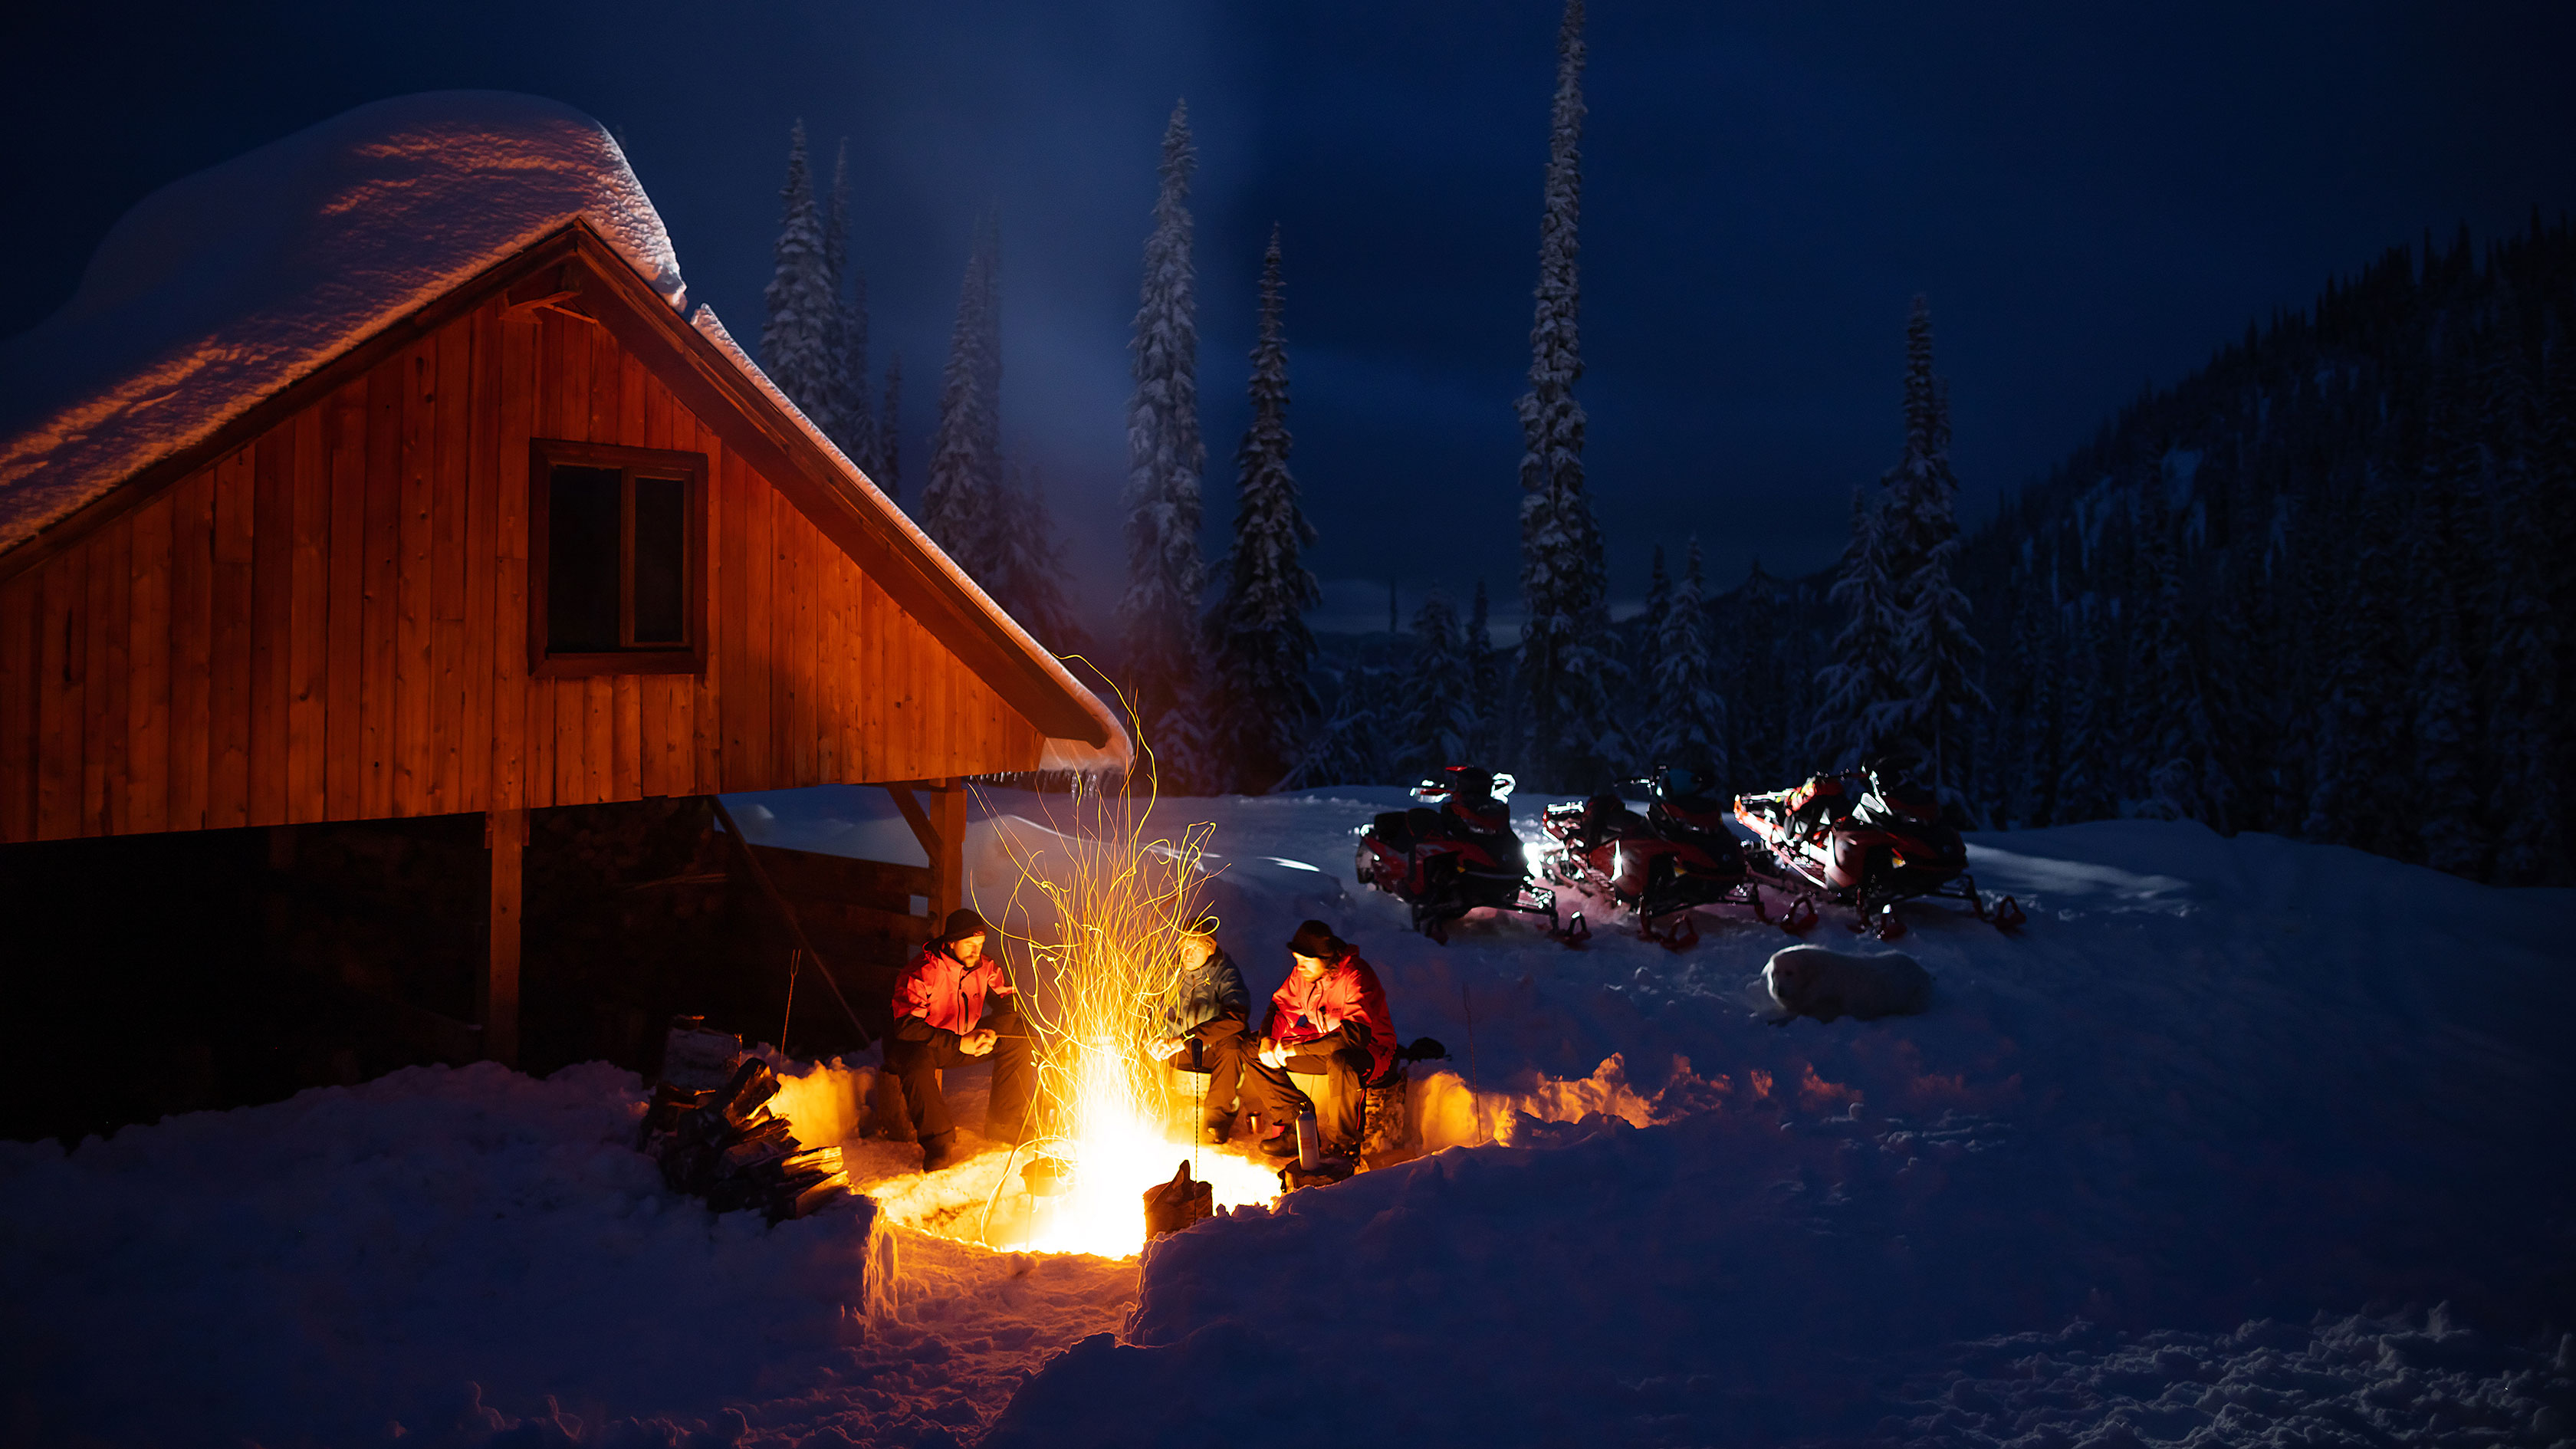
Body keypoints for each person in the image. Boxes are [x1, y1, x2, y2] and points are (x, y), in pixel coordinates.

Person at [882, 908, 1036, 1171]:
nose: (976, 952)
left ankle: (1004, 1122)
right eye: (970, 945)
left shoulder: (984, 967)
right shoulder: (922, 972)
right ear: (951, 943)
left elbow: (1009, 1004)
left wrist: (992, 1033)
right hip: (925, 1046)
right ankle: (939, 1143)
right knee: (914, 1062)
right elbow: (907, 1027)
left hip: (965, 1041)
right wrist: (958, 1043)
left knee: (1021, 1035)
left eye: (980, 945)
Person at [1241, 920, 1397, 1158]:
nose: (1299, 967)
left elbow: (1355, 1037)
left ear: (1325, 958)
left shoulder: (1355, 975)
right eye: (1296, 960)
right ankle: (1298, 1124)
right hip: (1325, 1042)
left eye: (1305, 961)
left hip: (1371, 1050)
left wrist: (1295, 1048)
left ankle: (1343, 1147)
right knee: (1252, 1048)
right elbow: (1282, 1006)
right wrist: (1268, 1040)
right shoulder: (1304, 976)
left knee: (1342, 1063)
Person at [1145, 917, 1251, 1145]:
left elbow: (1237, 1017)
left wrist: (1185, 1039)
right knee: (1140, 1047)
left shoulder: (1225, 972)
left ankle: (1216, 1121)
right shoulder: (1170, 971)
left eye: (1194, 948)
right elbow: (1145, 1006)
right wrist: (1151, 1036)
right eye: (1183, 947)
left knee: (1233, 1045)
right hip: (1177, 1045)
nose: (1187, 954)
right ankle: (1155, 1114)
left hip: (1210, 1048)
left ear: (1210, 948)